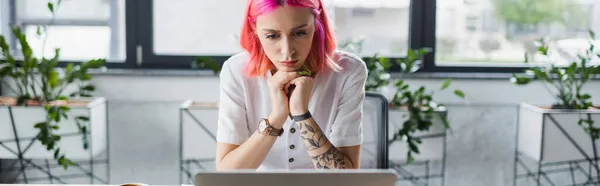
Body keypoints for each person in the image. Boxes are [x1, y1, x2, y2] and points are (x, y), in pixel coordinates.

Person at [215, 0, 367, 170]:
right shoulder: (236, 71)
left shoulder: (348, 71)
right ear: (254, 30)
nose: (287, 51)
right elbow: (226, 175)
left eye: (300, 33)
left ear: (317, 26)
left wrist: (301, 113)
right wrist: (276, 117)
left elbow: (347, 178)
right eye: (272, 36)